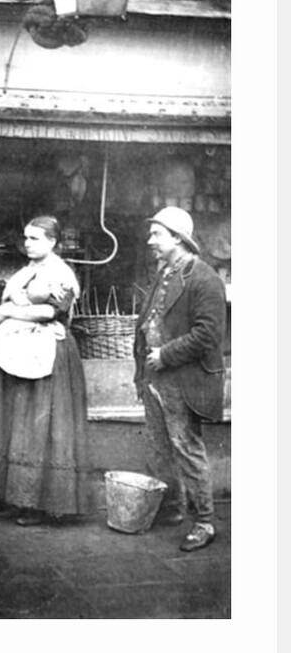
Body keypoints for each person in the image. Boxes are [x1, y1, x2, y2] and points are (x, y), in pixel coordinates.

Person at [0, 215, 92, 526]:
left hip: (49, 351)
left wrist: (8, 310)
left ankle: (39, 504)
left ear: (52, 242)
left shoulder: (61, 273)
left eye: (35, 238)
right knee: (18, 423)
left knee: (41, 426)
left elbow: (54, 311)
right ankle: (16, 498)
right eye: (26, 237)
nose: (27, 243)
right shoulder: (29, 270)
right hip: (20, 350)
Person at [134, 206, 227, 552]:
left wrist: (165, 355)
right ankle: (173, 509)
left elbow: (207, 335)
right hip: (156, 379)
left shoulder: (204, 278)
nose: (150, 241)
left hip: (183, 381)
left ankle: (204, 522)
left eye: (157, 234)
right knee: (160, 449)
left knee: (187, 450)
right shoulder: (165, 273)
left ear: (177, 237)